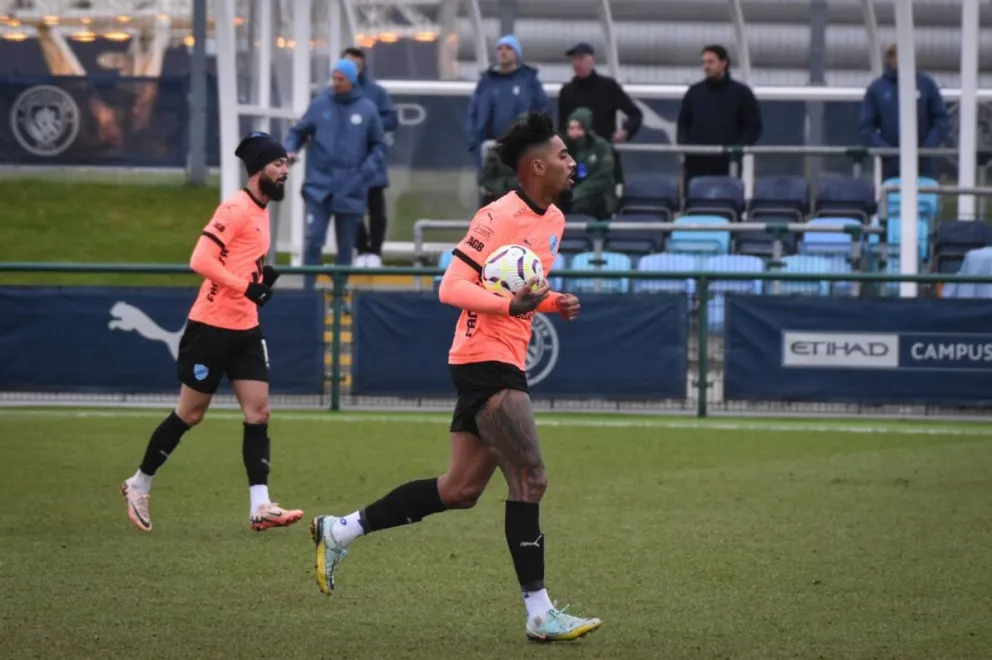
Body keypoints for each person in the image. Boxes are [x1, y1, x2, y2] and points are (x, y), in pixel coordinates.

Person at [307, 113, 602, 643]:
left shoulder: (554, 219)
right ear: (536, 167)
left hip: (502, 355)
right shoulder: (496, 216)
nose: (571, 161)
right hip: (483, 357)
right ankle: (540, 614)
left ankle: (340, 529)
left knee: (460, 489)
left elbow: (524, 291)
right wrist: (512, 303)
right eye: (562, 156)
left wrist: (553, 302)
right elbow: (452, 286)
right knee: (530, 480)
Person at [120, 132, 303, 534]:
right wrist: (246, 285)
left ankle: (261, 505)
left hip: (246, 327)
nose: (285, 171)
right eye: (278, 164)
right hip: (211, 327)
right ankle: (139, 484)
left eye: (287, 164)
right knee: (191, 413)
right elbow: (200, 258)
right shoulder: (235, 207)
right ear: (259, 169)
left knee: (259, 412)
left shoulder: (263, 209)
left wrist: (259, 275)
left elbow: (237, 261)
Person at [285, 59, 387, 287]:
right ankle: (308, 292)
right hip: (319, 187)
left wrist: (365, 173)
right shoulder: (319, 105)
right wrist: (289, 150)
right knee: (313, 240)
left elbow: (379, 145)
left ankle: (339, 295)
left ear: (351, 81)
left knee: (346, 246)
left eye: (342, 79)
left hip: (351, 188)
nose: (337, 83)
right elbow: (298, 132)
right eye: (335, 78)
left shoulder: (367, 109)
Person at [341, 47, 398, 268]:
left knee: (376, 208)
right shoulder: (336, 95)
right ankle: (361, 249)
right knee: (350, 208)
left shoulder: (375, 92)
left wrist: (369, 127)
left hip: (372, 159)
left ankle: (374, 251)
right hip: (347, 162)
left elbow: (391, 119)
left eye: (357, 63)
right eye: (349, 63)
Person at [859, 43, 949, 180]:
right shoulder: (877, 89)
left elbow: (941, 120)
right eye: (894, 56)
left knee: (926, 197)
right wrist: (886, 151)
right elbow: (866, 127)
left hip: (925, 164)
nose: (898, 60)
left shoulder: (926, 85)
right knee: (893, 199)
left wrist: (928, 147)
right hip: (891, 167)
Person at [676, 44, 762, 188]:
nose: (706, 66)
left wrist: (737, 149)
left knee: (725, 200)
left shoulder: (741, 93)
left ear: (723, 63)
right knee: (694, 202)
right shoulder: (694, 92)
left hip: (727, 163)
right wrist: (685, 146)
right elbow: (683, 122)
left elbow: (753, 126)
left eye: (711, 62)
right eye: (704, 62)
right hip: (696, 162)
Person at [557, 42, 642, 183]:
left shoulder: (608, 87)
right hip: (575, 158)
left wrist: (626, 131)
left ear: (592, 60)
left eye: (581, 58)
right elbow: (561, 126)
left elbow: (635, 114)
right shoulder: (567, 91)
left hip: (603, 157)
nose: (577, 63)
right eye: (574, 59)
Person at [466, 35, 549, 158]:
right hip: (490, 149)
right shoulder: (486, 82)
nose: (503, 51)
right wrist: (473, 140)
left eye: (508, 48)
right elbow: (473, 113)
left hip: (522, 151)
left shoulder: (529, 82)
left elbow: (542, 111)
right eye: (499, 48)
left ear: (516, 53)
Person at [560, 107, 617, 219]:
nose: (574, 132)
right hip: (570, 193)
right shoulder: (561, 147)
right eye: (571, 128)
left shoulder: (601, 146)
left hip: (598, 195)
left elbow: (603, 178)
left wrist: (577, 193)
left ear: (586, 128)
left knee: (581, 206)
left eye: (579, 128)